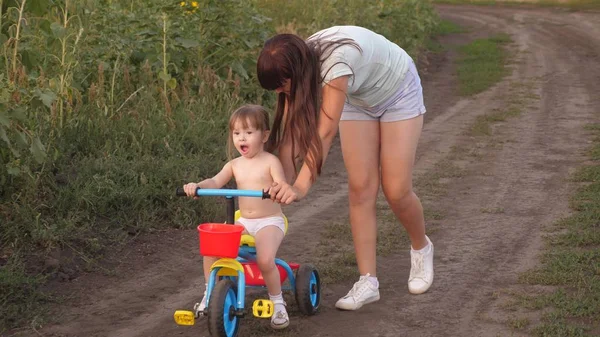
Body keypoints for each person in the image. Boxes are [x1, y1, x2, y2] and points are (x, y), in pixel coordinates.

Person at [257, 25, 434, 311]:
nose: (279, 91)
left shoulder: (336, 64)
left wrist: (301, 186)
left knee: (396, 189)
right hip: (358, 97)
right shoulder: (297, 61)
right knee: (360, 188)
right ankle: (368, 281)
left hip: (398, 91)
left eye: (281, 85)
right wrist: (283, 182)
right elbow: (290, 132)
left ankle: (421, 248)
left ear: (294, 71)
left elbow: (324, 134)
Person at [183, 104, 292, 329]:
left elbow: (280, 183)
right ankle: (210, 293)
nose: (242, 138)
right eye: (237, 133)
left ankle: (277, 302)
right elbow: (214, 182)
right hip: (243, 221)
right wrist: (197, 186)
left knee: (264, 260)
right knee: (212, 250)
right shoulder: (234, 165)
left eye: (249, 132)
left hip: (269, 221)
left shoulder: (270, 161)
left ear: (265, 136)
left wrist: (276, 188)